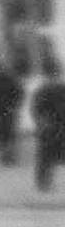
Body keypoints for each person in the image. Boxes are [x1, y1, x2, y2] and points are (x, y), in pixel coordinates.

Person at [32, 62, 65, 194]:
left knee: (45, 156)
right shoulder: (61, 89)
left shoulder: (43, 90)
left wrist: (41, 123)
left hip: (49, 127)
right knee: (47, 156)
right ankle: (44, 182)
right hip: (58, 126)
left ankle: (44, 183)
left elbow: (36, 110)